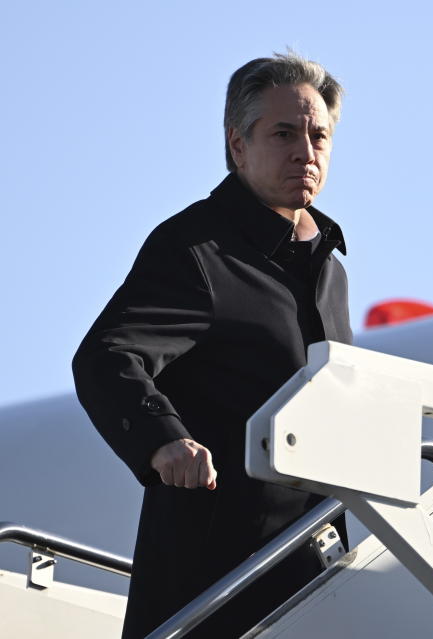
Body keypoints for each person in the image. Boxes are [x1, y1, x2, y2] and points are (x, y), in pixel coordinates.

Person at [72, 51, 351, 637]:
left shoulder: (330, 268)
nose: (306, 150)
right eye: (283, 133)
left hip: (315, 577)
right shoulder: (198, 249)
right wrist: (164, 441)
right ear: (237, 144)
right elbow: (106, 356)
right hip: (216, 587)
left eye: (318, 135)